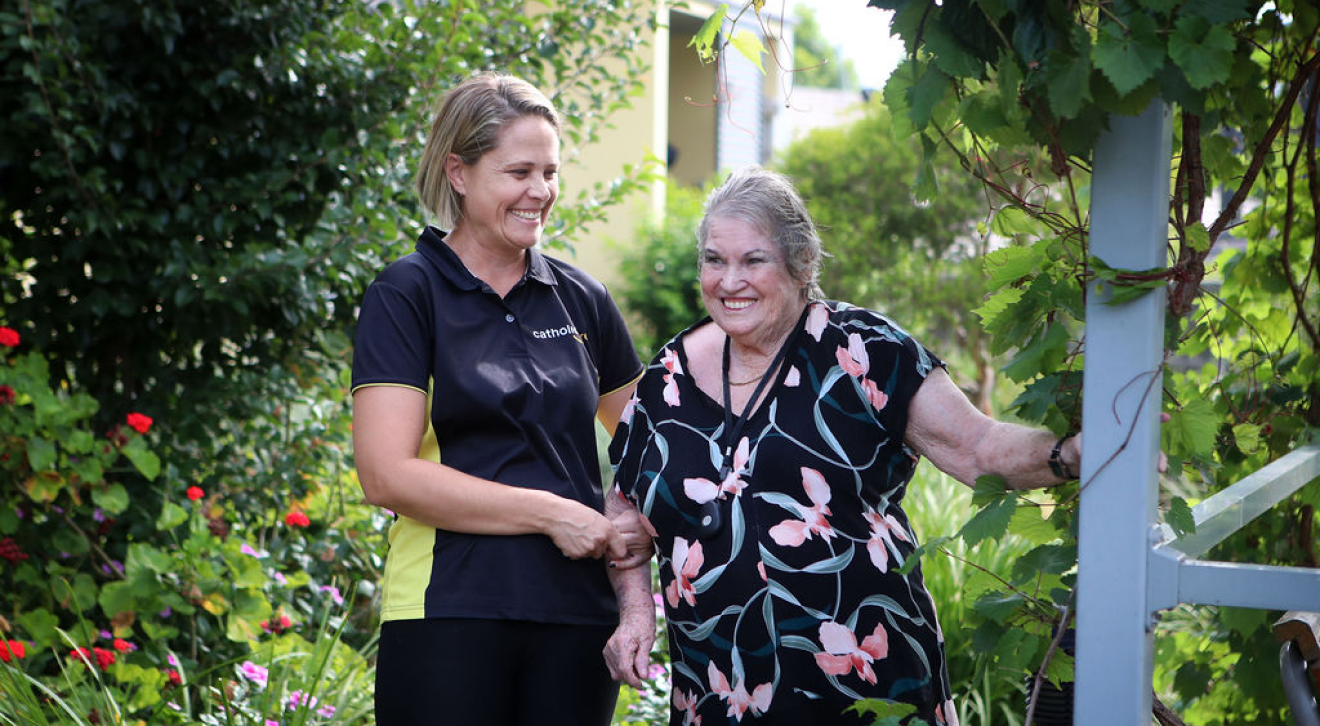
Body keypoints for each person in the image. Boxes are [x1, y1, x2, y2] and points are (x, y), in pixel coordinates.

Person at [603, 166, 1089, 726]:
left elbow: (977, 446)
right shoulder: (669, 376)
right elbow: (625, 506)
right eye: (715, 259)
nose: (729, 280)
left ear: (802, 263)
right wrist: (637, 615)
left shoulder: (862, 352)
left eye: (753, 260)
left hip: (864, 686)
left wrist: (1071, 454)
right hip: (719, 691)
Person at [350, 72, 653, 726]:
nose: (540, 193)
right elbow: (385, 474)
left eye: (551, 172)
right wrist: (551, 513)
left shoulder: (582, 300)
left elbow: (652, 445)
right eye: (519, 171)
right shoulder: (407, 295)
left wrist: (633, 528)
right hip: (448, 605)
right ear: (458, 173)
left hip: (576, 615)